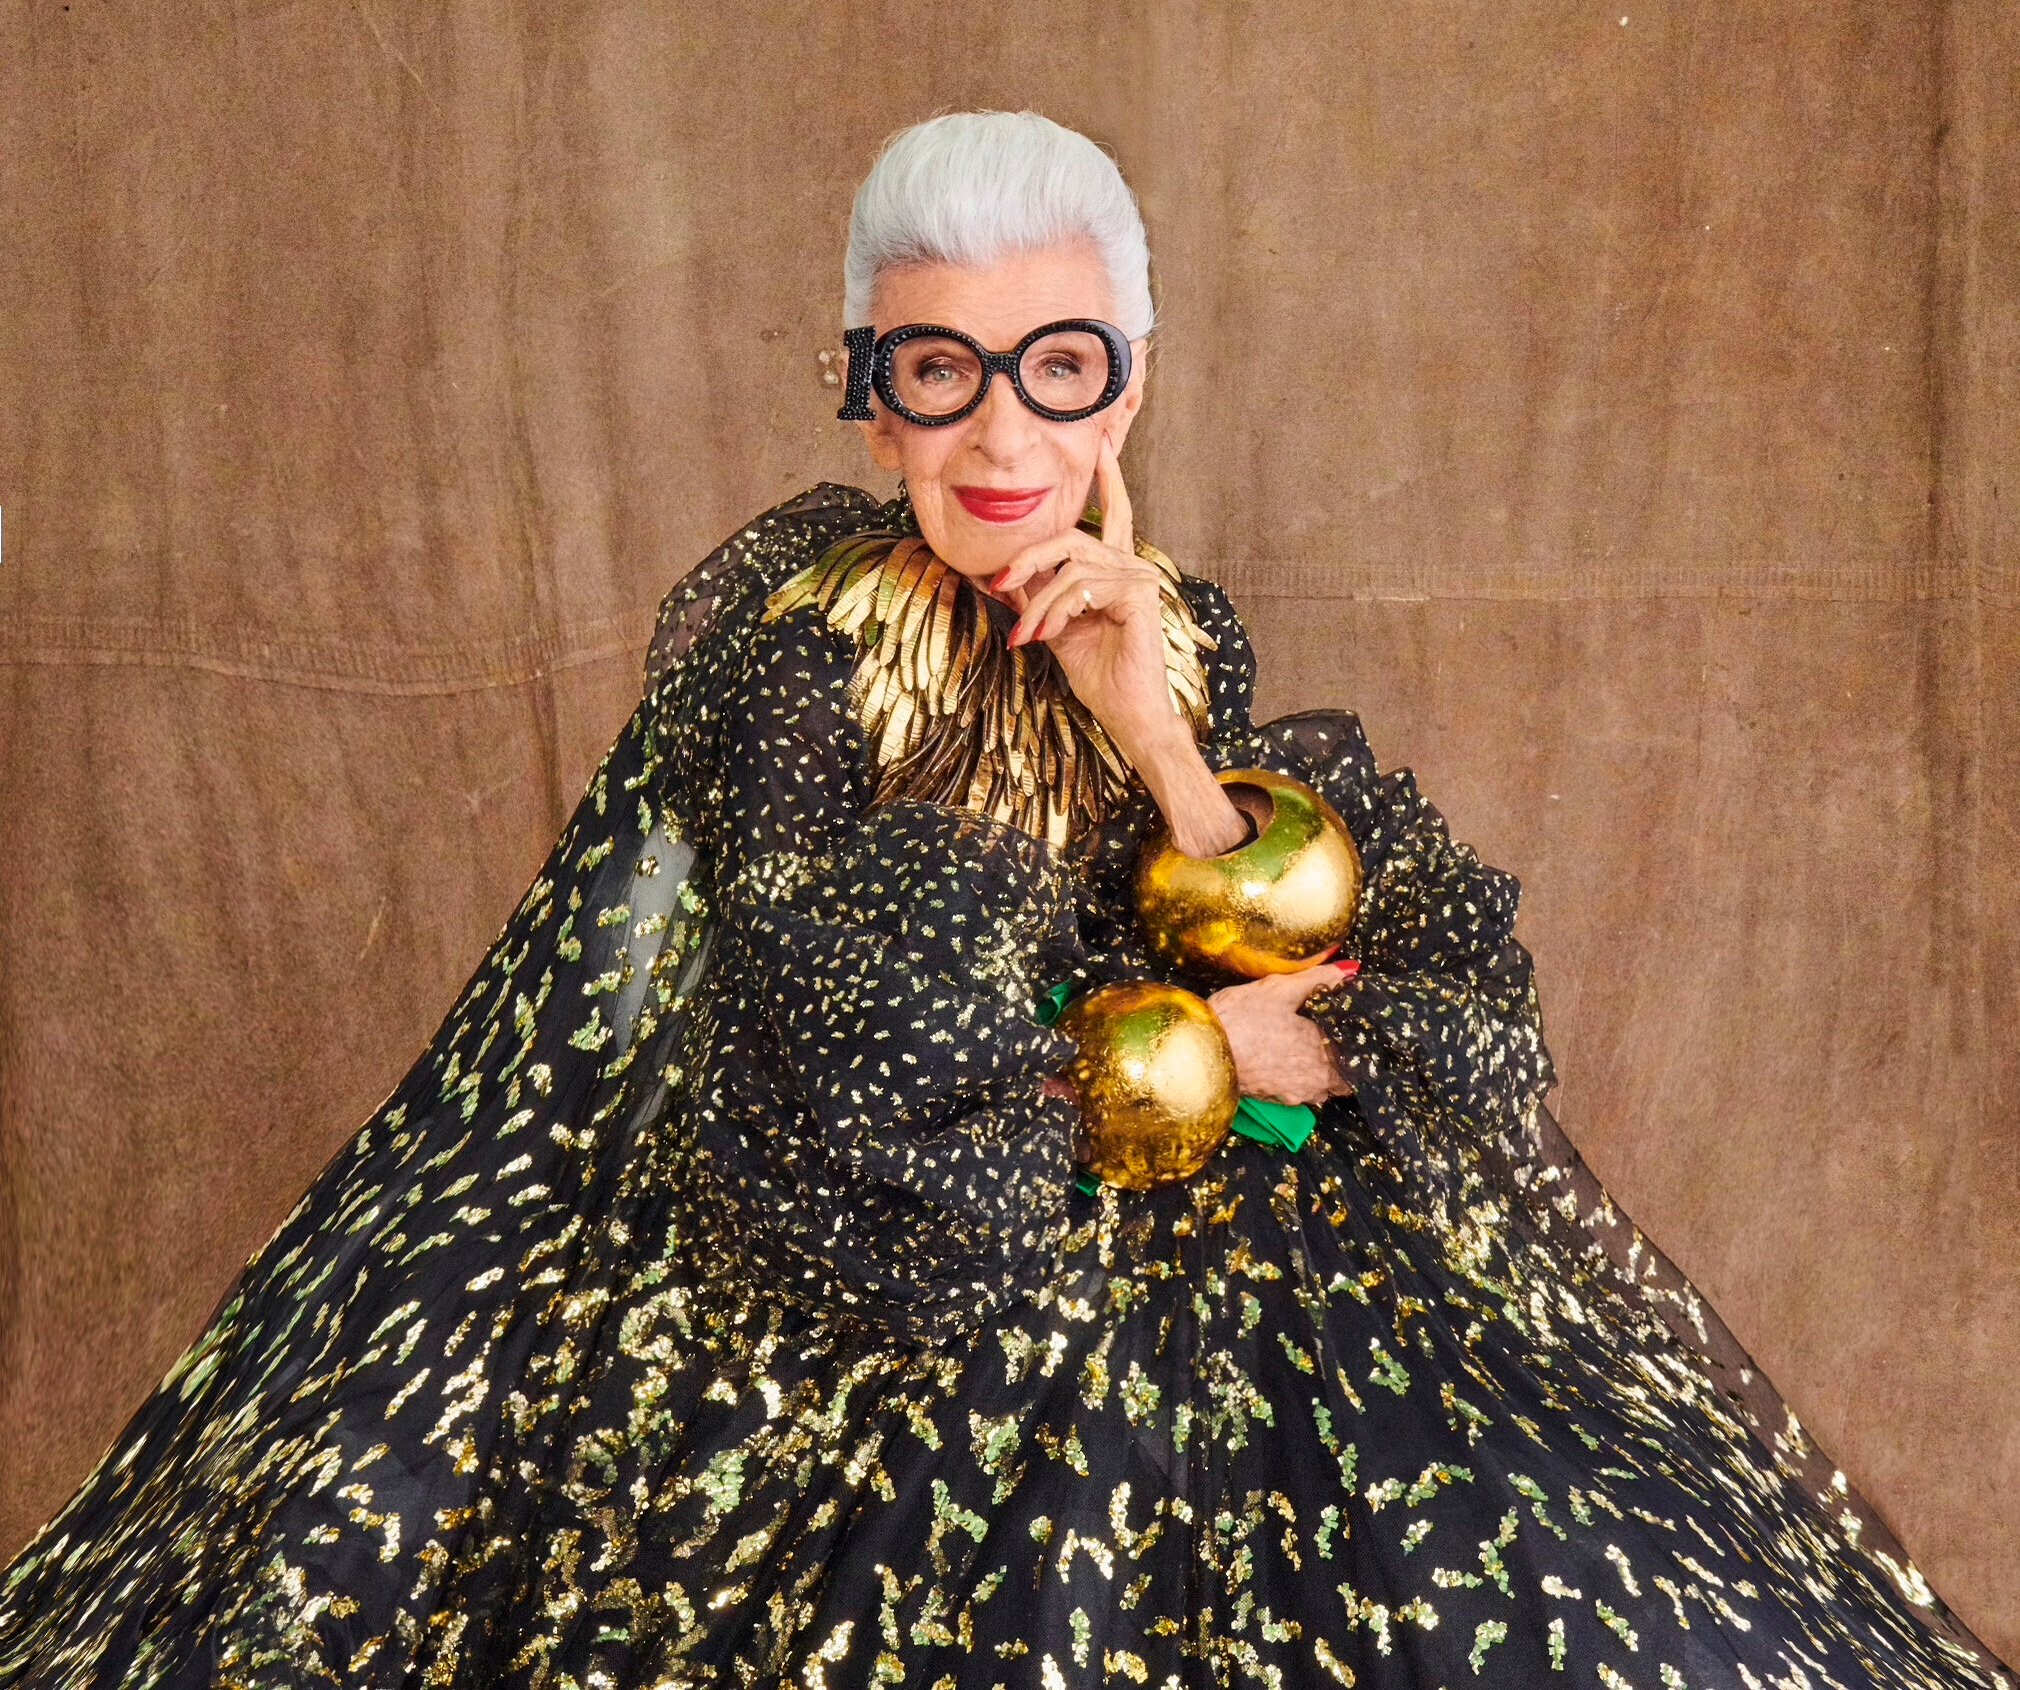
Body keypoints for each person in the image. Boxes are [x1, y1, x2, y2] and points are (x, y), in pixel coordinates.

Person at [0, 109, 2009, 1690]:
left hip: (1180, 1233)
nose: (996, 434)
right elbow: (841, 1082)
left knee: (1548, 1549)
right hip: (884, 1258)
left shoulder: (1171, 622)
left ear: (1122, 388)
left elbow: (1305, 940)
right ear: (864, 395)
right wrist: (1207, 1048)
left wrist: (1149, 726)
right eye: (935, 371)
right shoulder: (795, 662)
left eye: (1053, 369)